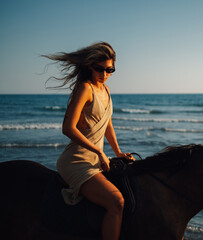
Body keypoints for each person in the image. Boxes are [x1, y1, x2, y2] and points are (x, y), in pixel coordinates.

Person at [43, 42, 134, 240]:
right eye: (99, 69)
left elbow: (107, 124)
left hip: (95, 160)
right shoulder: (85, 88)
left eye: (109, 69)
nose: (104, 74)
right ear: (89, 67)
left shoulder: (106, 90)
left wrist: (117, 152)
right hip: (76, 161)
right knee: (116, 201)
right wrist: (100, 152)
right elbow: (68, 128)